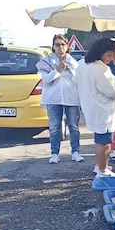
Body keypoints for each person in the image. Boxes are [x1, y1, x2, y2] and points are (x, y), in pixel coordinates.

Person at [76, 38, 115, 177]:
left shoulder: (82, 63)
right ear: (101, 51)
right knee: (104, 141)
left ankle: (100, 166)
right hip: (102, 108)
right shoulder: (99, 69)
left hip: (91, 105)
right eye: (110, 55)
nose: (111, 59)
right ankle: (102, 170)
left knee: (101, 138)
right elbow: (111, 91)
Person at [36, 34, 83, 164]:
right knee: (55, 127)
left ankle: (75, 152)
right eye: (57, 45)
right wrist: (57, 70)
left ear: (67, 47)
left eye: (63, 44)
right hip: (53, 98)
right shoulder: (46, 61)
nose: (60, 47)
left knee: (73, 126)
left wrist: (68, 68)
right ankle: (55, 153)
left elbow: (78, 78)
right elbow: (45, 79)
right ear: (53, 47)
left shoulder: (73, 62)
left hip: (71, 98)